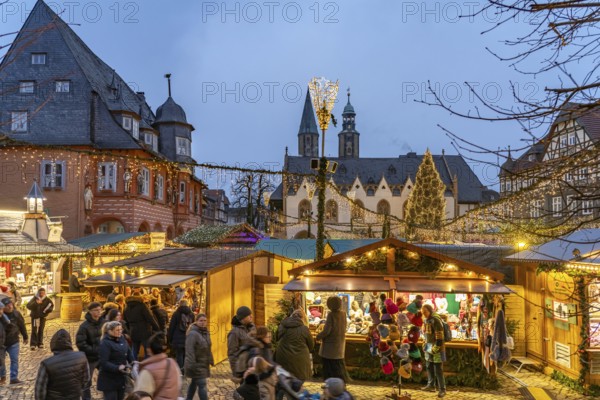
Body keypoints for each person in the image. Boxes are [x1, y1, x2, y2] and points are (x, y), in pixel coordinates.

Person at [34, 329, 89, 400]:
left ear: (53, 343)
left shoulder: (46, 364)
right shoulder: (82, 357)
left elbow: (40, 391)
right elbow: (85, 380)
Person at [134, 332, 180, 400]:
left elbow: (141, 396)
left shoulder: (147, 370)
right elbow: (178, 385)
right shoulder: (172, 363)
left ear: (149, 350)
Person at [97, 321, 134, 400]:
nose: (120, 331)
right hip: (109, 379)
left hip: (121, 378)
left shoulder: (122, 338)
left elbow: (129, 352)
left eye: (121, 329)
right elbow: (103, 362)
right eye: (117, 330)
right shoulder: (105, 343)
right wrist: (117, 368)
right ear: (110, 331)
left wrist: (133, 363)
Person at [275, 308, 314, 382]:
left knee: (284, 384)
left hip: (283, 358)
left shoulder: (282, 326)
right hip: (300, 362)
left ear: (291, 316)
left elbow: (276, 338)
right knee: (299, 384)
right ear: (303, 318)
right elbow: (311, 346)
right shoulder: (304, 329)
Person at [76, 302, 105, 400]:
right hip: (90, 358)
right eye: (96, 310)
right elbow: (80, 343)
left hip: (102, 356)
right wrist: (94, 350)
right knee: (87, 381)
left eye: (100, 309)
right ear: (90, 312)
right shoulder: (84, 326)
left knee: (107, 376)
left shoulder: (104, 322)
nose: (99, 312)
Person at [316, 296, 349, 382]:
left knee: (329, 369)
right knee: (339, 367)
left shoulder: (331, 315)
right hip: (340, 345)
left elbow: (327, 331)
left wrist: (318, 336)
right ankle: (340, 384)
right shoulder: (343, 314)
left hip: (330, 348)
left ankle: (330, 385)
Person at [123, 289, 160, 360]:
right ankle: (146, 366)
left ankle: (134, 365)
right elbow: (150, 317)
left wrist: (129, 330)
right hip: (144, 330)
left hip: (133, 330)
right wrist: (157, 328)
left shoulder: (126, 307)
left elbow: (125, 321)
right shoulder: (142, 305)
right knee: (147, 350)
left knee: (134, 349)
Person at [184, 313, 214, 400]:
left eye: (205, 321)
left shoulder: (206, 332)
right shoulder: (192, 334)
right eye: (201, 321)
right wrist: (191, 365)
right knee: (202, 385)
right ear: (196, 322)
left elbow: (208, 347)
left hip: (203, 363)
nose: (203, 323)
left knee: (194, 383)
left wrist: (210, 359)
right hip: (196, 364)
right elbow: (189, 351)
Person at [0, 297, 28, 385]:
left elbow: (22, 325)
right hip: (2, 343)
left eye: (11, 305)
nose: (10, 307)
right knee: (1, 361)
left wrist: (25, 336)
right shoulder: (1, 316)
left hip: (13, 341)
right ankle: (2, 377)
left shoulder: (16, 314)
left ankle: (13, 378)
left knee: (14, 360)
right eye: (7, 306)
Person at [421, 303, 446, 398]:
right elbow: (426, 333)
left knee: (438, 369)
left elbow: (440, 335)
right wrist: (425, 343)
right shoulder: (426, 320)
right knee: (429, 366)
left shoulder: (435, 319)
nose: (424, 314)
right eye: (422, 312)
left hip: (437, 346)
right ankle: (431, 385)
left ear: (430, 310)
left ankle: (442, 389)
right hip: (428, 346)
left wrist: (437, 347)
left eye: (425, 312)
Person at [227, 306, 256, 375]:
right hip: (243, 368)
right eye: (249, 315)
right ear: (243, 318)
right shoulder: (234, 333)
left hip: (254, 367)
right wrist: (236, 372)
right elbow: (232, 353)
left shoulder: (252, 327)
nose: (251, 316)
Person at [167, 299, 194, 371]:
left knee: (179, 354)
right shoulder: (191, 314)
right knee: (186, 354)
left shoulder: (176, 314)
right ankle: (186, 369)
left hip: (177, 336)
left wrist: (169, 338)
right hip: (188, 336)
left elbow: (172, 326)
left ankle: (180, 369)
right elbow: (194, 326)